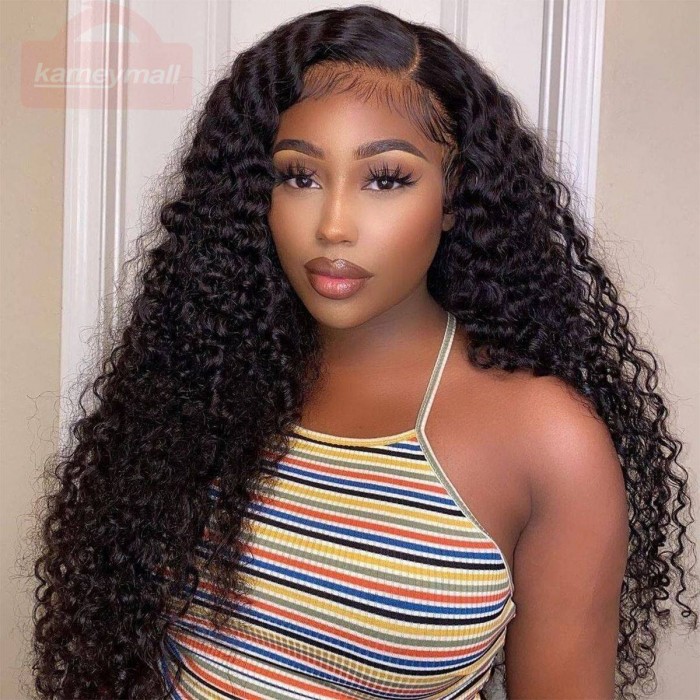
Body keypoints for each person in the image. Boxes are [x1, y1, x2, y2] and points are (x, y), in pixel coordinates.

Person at [30, 5, 698, 699]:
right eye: (299, 176)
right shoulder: (204, 375)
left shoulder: (550, 442)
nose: (334, 226)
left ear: (457, 195)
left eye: (385, 179)